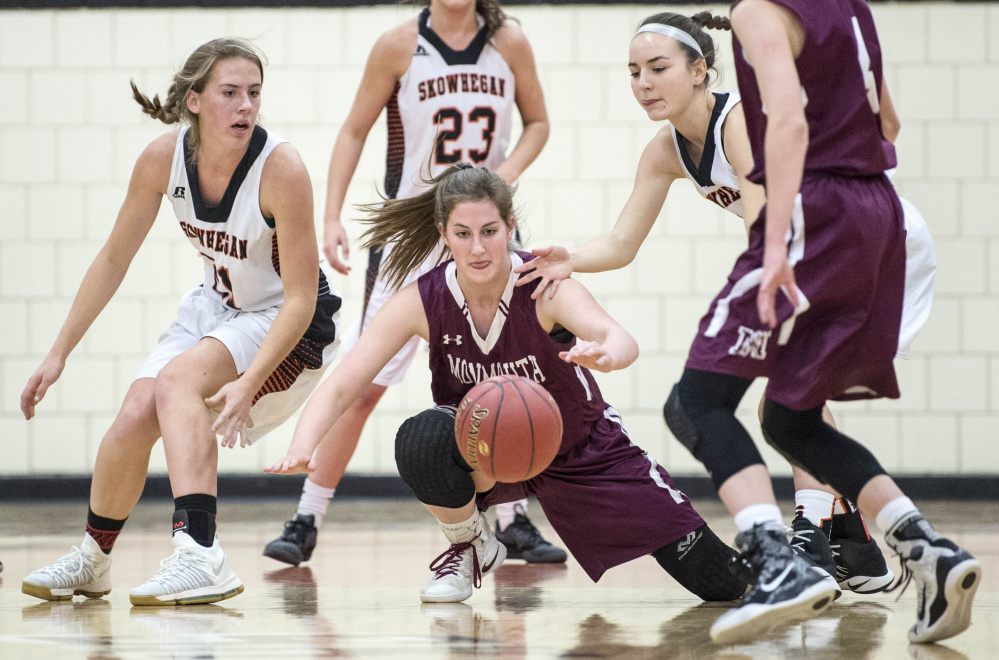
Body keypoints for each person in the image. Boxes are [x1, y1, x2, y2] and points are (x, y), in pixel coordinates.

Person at [520, 4, 976, 645]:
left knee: (697, 404)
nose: (644, 83)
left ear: (702, 69)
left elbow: (774, 193)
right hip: (882, 227)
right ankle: (906, 549)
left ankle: (794, 550)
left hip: (816, 232)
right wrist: (570, 255)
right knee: (791, 411)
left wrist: (772, 260)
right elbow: (623, 241)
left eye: (658, 68)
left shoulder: (738, 116)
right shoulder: (667, 150)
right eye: (632, 72)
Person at [266, 164, 750, 605]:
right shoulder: (422, 299)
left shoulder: (543, 286)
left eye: (490, 231)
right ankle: (472, 544)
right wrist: (303, 443)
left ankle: (799, 568)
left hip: (581, 450)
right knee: (423, 437)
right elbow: (343, 384)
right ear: (444, 235)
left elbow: (616, 336)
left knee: (721, 583)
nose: (478, 248)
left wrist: (608, 354)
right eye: (463, 234)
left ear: (510, 228)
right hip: (489, 453)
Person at [20, 38, 341, 606]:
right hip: (217, 307)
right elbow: (114, 257)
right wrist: (58, 352)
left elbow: (297, 299)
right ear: (194, 101)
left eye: (254, 94)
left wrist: (248, 380)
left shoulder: (281, 167)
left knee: (177, 383)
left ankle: (200, 553)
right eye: (230, 93)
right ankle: (94, 559)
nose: (246, 106)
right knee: (136, 411)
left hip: (289, 320)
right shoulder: (161, 159)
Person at [263, 0, 564, 568]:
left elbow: (539, 122)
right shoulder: (398, 44)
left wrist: (504, 175)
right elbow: (354, 130)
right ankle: (306, 516)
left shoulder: (510, 43)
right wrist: (331, 217)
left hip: (484, 230)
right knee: (365, 380)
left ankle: (514, 521)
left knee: (504, 378)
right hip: (411, 234)